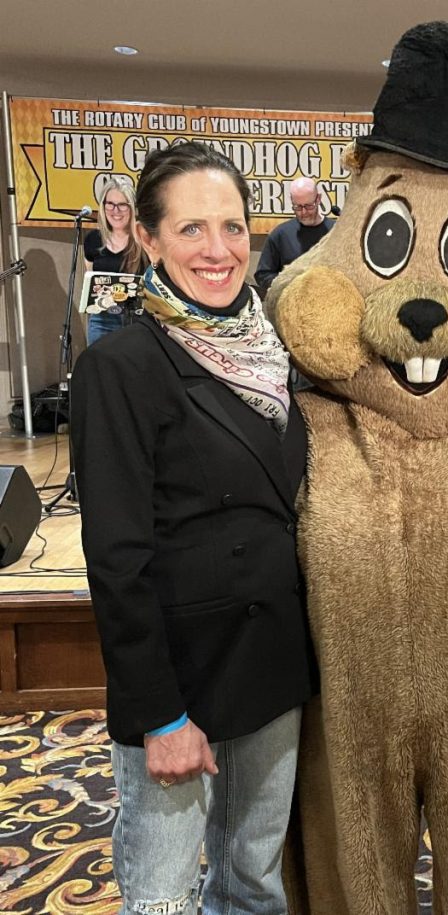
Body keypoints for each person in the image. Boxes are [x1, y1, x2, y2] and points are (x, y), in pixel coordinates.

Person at [70, 141, 315, 915]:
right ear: (146, 238)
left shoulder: (276, 354)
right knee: (164, 894)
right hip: (180, 675)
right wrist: (161, 715)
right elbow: (116, 559)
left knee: (253, 878)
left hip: (271, 662)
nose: (219, 251)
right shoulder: (122, 368)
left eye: (234, 228)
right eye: (191, 230)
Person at [83, 175, 147, 345]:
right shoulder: (93, 240)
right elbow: (91, 281)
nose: (115, 211)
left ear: (132, 208)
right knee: (101, 369)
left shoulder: (144, 240)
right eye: (110, 204)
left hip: (137, 321)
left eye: (122, 205)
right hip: (102, 321)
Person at [254, 176, 335, 294]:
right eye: (297, 207)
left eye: (309, 206)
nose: (303, 212)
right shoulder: (280, 234)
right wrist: (288, 284)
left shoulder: (335, 232)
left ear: (318, 199)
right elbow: (263, 274)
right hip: (290, 305)